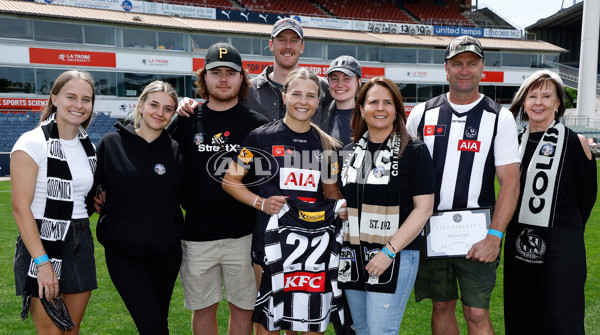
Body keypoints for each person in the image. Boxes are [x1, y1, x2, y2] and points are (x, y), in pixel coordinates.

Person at [406, 35, 521, 334]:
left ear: (482, 67)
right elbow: (405, 172)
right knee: (441, 306)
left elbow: (510, 182)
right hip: (431, 231)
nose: (464, 70)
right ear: (446, 68)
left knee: (477, 313)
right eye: (457, 63)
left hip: (478, 233)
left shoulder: (500, 117)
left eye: (472, 63)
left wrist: (494, 236)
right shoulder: (421, 113)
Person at [222, 68, 347, 334]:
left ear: (318, 101)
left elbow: (331, 193)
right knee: (268, 320)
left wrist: (341, 210)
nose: (304, 101)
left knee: (303, 320)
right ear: (285, 95)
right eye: (297, 94)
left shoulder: (326, 146)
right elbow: (230, 180)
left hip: (311, 247)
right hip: (270, 242)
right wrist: (261, 203)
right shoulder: (260, 138)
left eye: (311, 96)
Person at [167, 42, 269, 335]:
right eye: (216, 72)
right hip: (197, 236)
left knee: (243, 309)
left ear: (241, 79)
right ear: (204, 78)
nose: (223, 79)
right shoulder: (186, 121)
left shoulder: (257, 127)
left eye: (230, 73)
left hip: (244, 235)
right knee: (204, 310)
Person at [338, 77, 435, 334]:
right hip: (354, 256)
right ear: (361, 109)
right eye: (373, 102)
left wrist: (388, 252)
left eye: (387, 102)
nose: (380, 108)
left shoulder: (414, 150)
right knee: (361, 329)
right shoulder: (349, 152)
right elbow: (348, 201)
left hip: (395, 254)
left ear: (397, 110)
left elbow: (424, 208)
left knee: (381, 331)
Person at [503, 70, 597, 335]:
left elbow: (586, 198)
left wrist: (561, 232)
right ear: (523, 102)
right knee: (522, 318)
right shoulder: (513, 144)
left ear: (558, 103)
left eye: (546, 96)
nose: (539, 102)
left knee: (561, 320)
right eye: (532, 96)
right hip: (519, 246)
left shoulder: (575, 142)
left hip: (562, 250)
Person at [11, 70, 98, 334]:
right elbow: (20, 208)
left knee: (72, 328)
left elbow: (80, 197)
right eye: (71, 96)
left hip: (80, 237)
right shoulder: (32, 142)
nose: (79, 105)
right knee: (51, 330)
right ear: (55, 98)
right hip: (42, 241)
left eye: (86, 99)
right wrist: (43, 262)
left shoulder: (88, 147)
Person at [94, 81, 184, 334]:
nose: (160, 112)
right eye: (154, 104)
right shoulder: (111, 143)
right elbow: (92, 188)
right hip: (124, 251)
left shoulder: (176, 150)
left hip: (165, 252)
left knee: (158, 323)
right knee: (153, 326)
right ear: (141, 105)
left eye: (168, 109)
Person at [177, 18, 331, 123]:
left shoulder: (322, 87)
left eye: (294, 41)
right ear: (271, 45)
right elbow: (218, 105)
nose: (288, 46)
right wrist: (191, 105)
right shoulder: (248, 89)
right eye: (282, 40)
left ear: (302, 47)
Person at [320, 55, 362, 146]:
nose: (339, 84)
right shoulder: (318, 115)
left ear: (359, 83)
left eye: (347, 79)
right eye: (334, 79)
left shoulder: (369, 115)